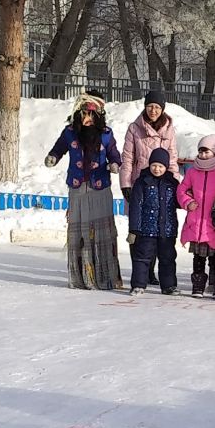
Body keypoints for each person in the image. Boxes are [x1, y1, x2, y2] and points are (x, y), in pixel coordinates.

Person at [44, 95, 123, 290]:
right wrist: (53, 157)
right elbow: (59, 148)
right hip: (77, 187)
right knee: (80, 233)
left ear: (98, 116)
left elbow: (114, 153)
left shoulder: (106, 134)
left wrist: (114, 164)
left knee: (100, 232)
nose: (88, 118)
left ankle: (106, 275)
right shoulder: (70, 133)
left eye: (91, 114)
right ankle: (81, 275)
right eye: (84, 114)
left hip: (99, 188)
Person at [176, 133, 215, 297]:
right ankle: (198, 287)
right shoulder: (193, 172)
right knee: (199, 258)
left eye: (207, 151)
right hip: (197, 222)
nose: (203, 155)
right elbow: (182, 190)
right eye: (201, 151)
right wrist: (187, 201)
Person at [126, 146, 181, 295]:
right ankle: (138, 285)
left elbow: (180, 201)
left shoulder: (172, 183)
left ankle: (169, 286)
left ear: (166, 167)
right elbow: (135, 206)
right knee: (142, 258)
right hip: (145, 229)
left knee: (168, 258)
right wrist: (134, 229)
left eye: (161, 166)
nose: (157, 169)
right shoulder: (142, 182)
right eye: (154, 165)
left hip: (167, 230)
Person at [119, 90, 176, 192]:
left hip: (161, 183)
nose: (153, 110)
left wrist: (175, 182)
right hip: (139, 181)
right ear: (145, 107)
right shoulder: (134, 128)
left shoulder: (168, 130)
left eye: (157, 107)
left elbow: (172, 159)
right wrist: (125, 184)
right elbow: (128, 158)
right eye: (150, 106)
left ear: (162, 109)